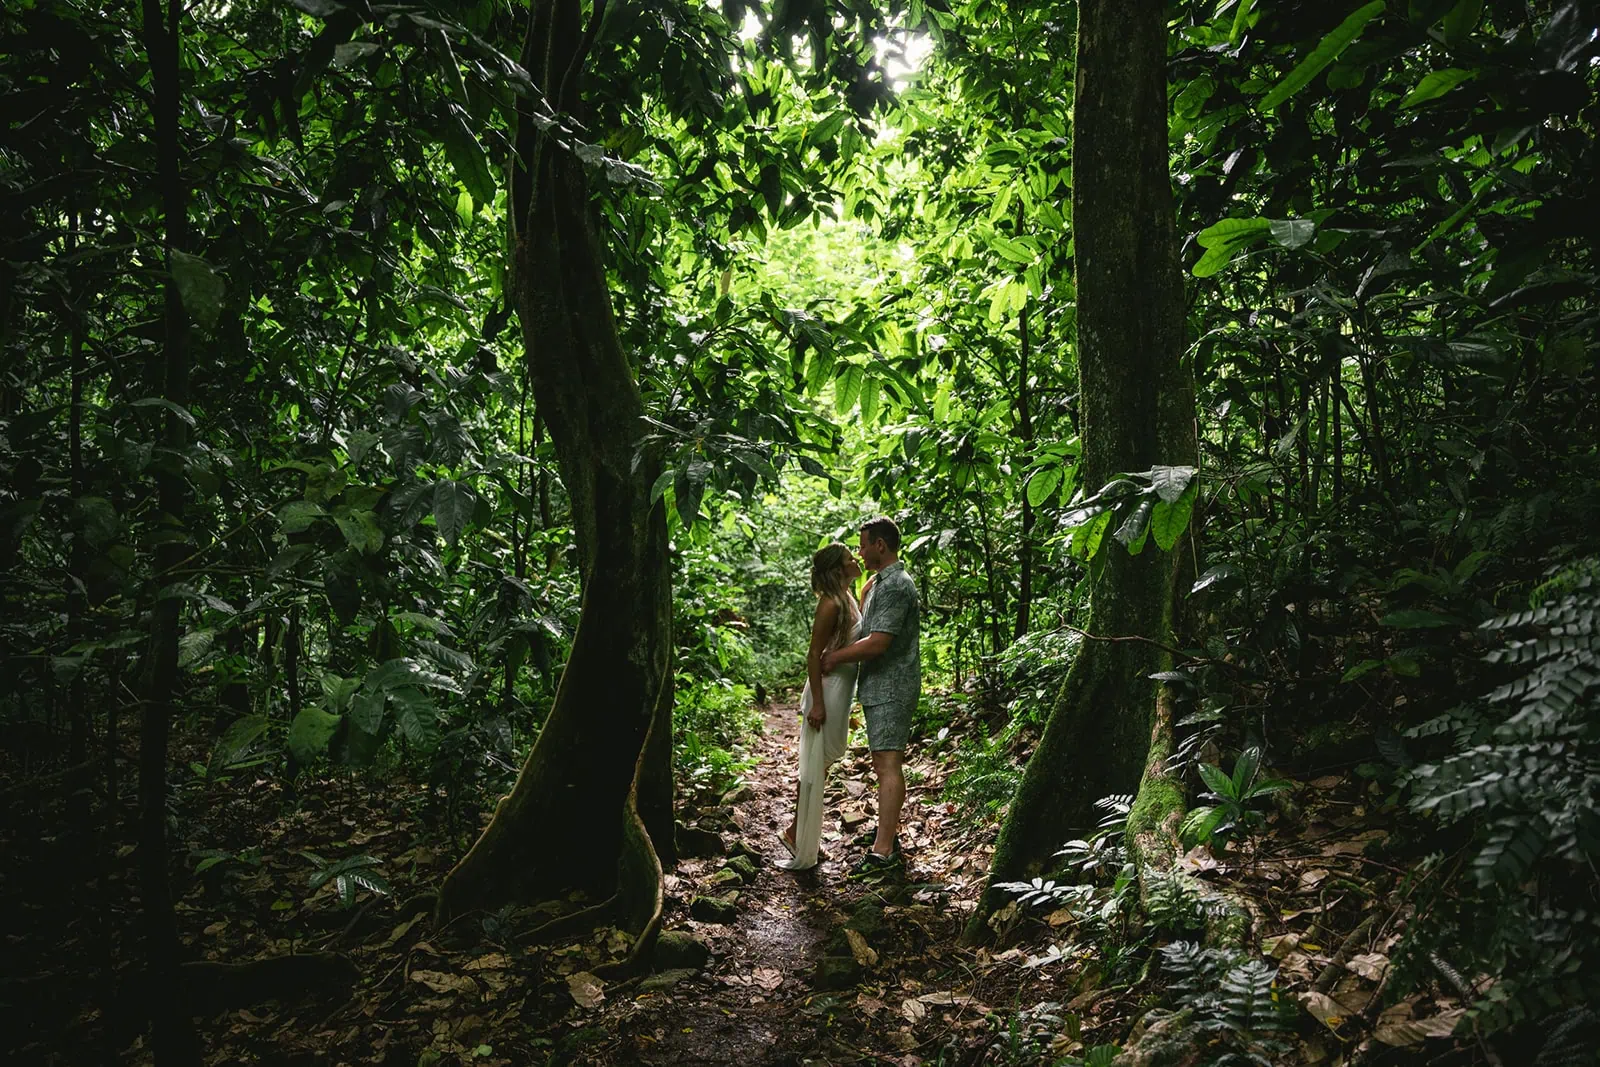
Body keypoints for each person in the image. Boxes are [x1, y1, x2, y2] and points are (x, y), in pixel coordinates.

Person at [822, 516, 920, 873]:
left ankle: (883, 852)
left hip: (893, 686)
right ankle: (886, 834)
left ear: (881, 545)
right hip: (879, 686)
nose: (860, 553)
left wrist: (833, 658)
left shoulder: (896, 586)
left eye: (863, 546)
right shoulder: (879, 583)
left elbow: (879, 642)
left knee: (888, 765)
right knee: (883, 764)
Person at [778, 542, 863, 870]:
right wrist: (817, 704)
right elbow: (814, 655)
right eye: (848, 558)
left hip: (841, 688)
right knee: (815, 764)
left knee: (820, 764)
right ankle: (796, 833)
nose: (855, 559)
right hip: (826, 690)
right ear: (839, 568)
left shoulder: (848, 597)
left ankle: (798, 831)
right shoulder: (830, 604)